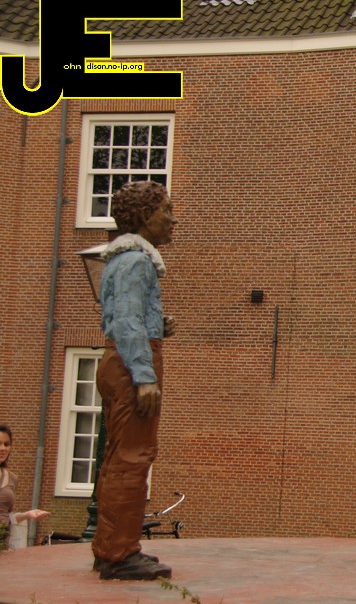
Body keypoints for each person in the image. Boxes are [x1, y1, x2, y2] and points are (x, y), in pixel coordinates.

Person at [92, 181, 177, 580]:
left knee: (117, 459)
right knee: (132, 459)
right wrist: (144, 376)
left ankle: (108, 547)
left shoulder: (121, 260)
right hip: (131, 367)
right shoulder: (137, 262)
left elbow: (123, 314)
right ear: (145, 217)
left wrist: (158, 324)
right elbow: (126, 322)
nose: (173, 220)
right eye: (166, 211)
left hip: (122, 361)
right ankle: (120, 554)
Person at [0, 424, 51, 549]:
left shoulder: (12, 478)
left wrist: (28, 514)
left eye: (6, 444)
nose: (3, 448)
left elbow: (8, 517)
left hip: (3, 545)